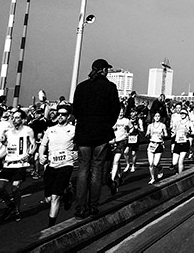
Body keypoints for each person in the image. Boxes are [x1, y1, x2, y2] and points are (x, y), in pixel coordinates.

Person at [71, 58, 121, 219]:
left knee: (83, 170)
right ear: (104, 70)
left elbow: (75, 110)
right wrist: (107, 125)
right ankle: (93, 206)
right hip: (101, 133)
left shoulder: (82, 87)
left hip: (84, 133)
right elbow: (115, 110)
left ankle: (80, 207)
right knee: (97, 170)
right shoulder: (110, 88)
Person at [39, 103, 76, 227]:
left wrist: (77, 153)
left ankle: (51, 226)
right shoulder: (50, 130)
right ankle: (68, 193)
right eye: (58, 114)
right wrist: (41, 155)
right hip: (51, 165)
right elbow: (43, 145)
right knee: (48, 199)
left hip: (66, 164)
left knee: (55, 197)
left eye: (63, 114)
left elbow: (81, 143)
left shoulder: (73, 129)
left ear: (68, 116)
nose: (60, 116)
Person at [0, 109, 36, 221]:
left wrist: (29, 154)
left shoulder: (28, 130)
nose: (14, 120)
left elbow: (33, 145)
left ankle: (17, 210)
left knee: (15, 188)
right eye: (13, 117)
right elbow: (7, 149)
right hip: (8, 164)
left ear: (23, 120)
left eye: (17, 117)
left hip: (20, 164)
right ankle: (10, 205)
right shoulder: (8, 132)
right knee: (0, 189)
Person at [109, 110, 131, 193]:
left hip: (122, 141)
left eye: (122, 112)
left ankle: (112, 179)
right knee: (115, 161)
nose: (120, 113)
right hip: (113, 141)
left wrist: (127, 134)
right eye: (119, 112)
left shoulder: (126, 121)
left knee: (116, 161)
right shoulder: (113, 120)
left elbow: (131, 129)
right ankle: (120, 174)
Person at [146, 112, 168, 184]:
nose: (157, 117)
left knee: (155, 163)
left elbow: (166, 134)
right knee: (151, 163)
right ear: (153, 117)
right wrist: (147, 134)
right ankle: (152, 178)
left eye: (158, 116)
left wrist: (162, 135)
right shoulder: (150, 126)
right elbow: (147, 134)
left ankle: (160, 168)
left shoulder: (162, 125)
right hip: (151, 144)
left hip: (159, 145)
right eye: (156, 116)